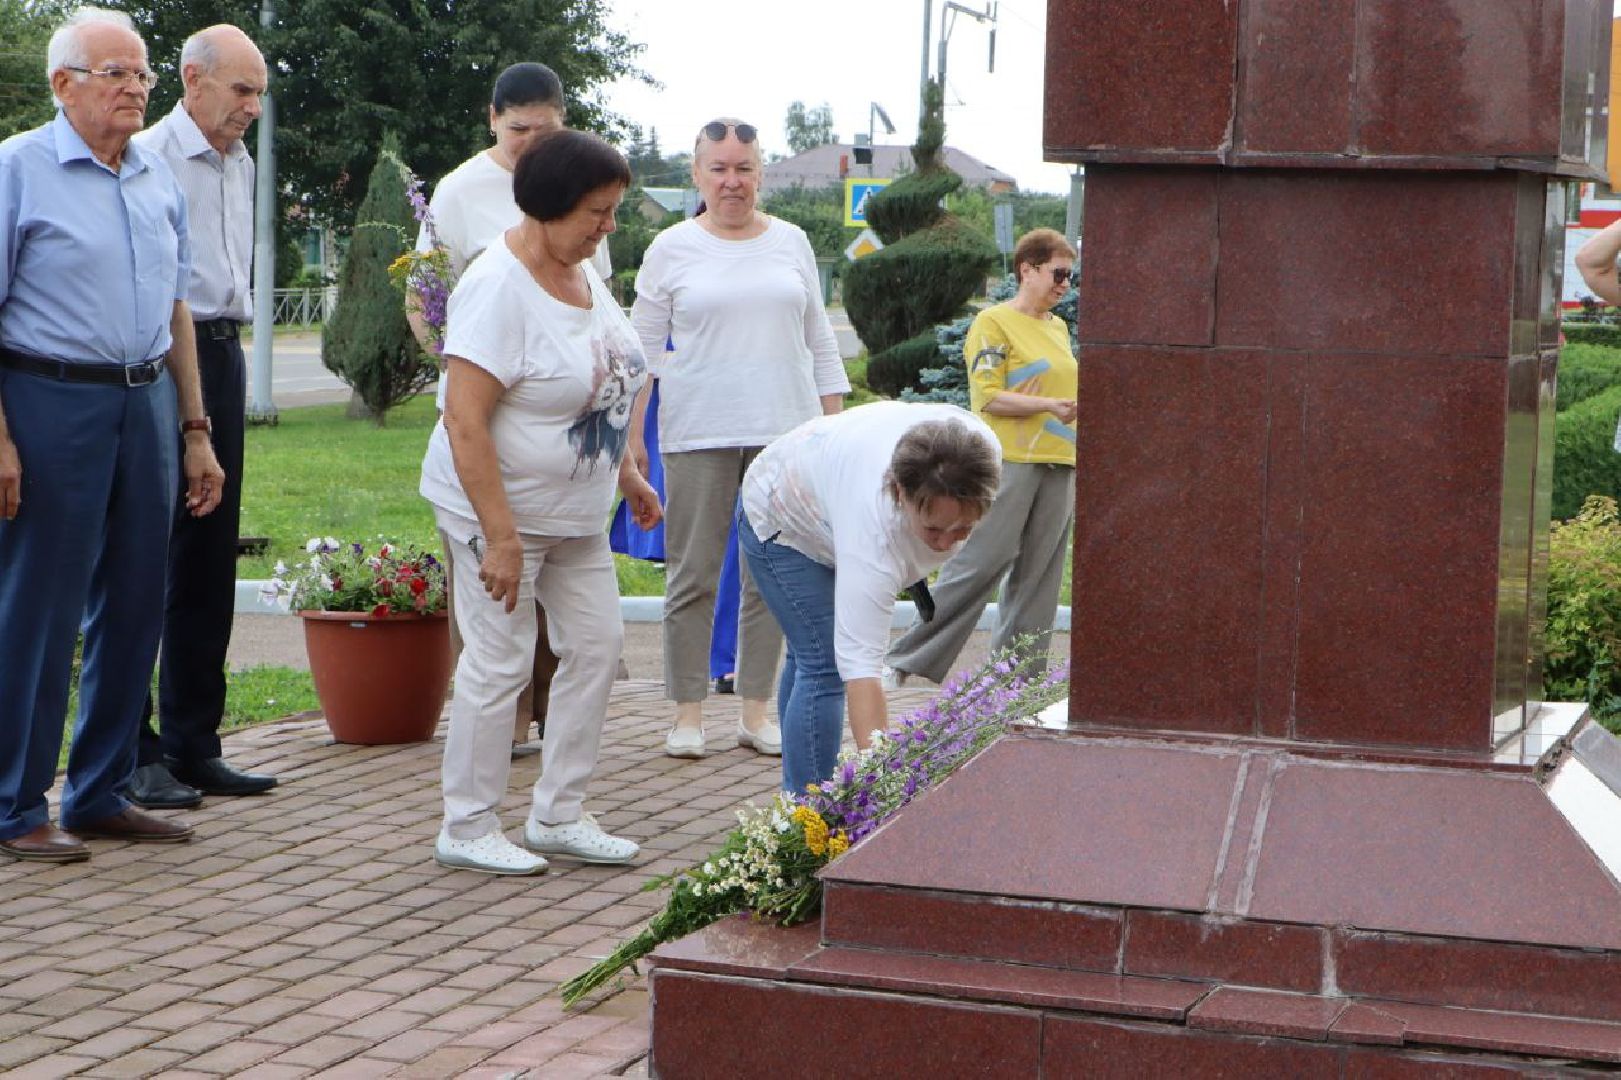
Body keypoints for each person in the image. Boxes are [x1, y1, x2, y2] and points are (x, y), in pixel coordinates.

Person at [0, 6, 224, 862]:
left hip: (146, 405)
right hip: (47, 399)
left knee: (135, 601)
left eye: (142, 75)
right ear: (63, 85)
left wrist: (195, 429)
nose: (136, 88)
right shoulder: (18, 169)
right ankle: (16, 804)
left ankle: (100, 790)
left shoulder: (154, 179)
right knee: (40, 609)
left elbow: (177, 309)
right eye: (116, 73)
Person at [419, 128, 659, 875]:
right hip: (498, 514)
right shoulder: (497, 286)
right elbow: (464, 420)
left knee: (596, 646)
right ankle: (467, 824)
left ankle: (557, 814)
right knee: (501, 660)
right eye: (596, 211)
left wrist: (624, 472)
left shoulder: (582, 269)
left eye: (613, 210)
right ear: (550, 206)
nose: (607, 226)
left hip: (576, 516)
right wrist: (500, 539)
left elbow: (602, 376)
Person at [409, 62, 612, 757]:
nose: (530, 140)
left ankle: (555, 766)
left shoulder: (585, 194)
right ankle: (493, 758)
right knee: (498, 638)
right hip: (491, 444)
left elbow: (598, 319)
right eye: (517, 128)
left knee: (585, 639)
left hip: (568, 480)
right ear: (491, 119)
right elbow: (426, 295)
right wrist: (473, 365)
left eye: (544, 128)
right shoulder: (464, 196)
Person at [630, 117, 849, 760]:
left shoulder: (793, 243)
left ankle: (756, 710)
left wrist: (832, 431)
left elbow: (820, 341)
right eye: (719, 169)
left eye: (744, 169)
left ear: (761, 174)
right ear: (696, 174)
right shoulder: (670, 248)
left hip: (785, 436)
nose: (732, 181)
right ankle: (688, 712)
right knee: (693, 573)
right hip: (697, 432)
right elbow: (640, 352)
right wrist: (631, 442)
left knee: (770, 578)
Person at [122, 24, 277, 809]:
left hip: (223, 352)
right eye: (241, 89)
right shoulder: (147, 157)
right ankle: (136, 747)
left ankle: (194, 742)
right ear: (191, 80)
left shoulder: (237, 159)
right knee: (150, 556)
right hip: (160, 362)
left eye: (257, 92)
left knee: (210, 555)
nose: (252, 106)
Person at [738, 402, 1001, 795]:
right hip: (780, 508)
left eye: (962, 529)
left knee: (810, 650)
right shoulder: (872, 531)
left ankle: (800, 800)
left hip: (830, 483)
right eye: (933, 529)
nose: (947, 542)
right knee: (823, 661)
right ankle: (809, 818)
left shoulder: (983, 453)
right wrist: (884, 789)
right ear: (899, 492)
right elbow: (862, 670)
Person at [884, 228, 1079, 687]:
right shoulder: (994, 323)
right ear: (1026, 269)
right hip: (1009, 460)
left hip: (1060, 460)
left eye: (1070, 276)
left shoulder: (1058, 328)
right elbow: (987, 397)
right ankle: (906, 659)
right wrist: (1048, 406)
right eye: (1058, 273)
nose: (1065, 285)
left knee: (1040, 578)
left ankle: (1016, 680)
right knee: (980, 563)